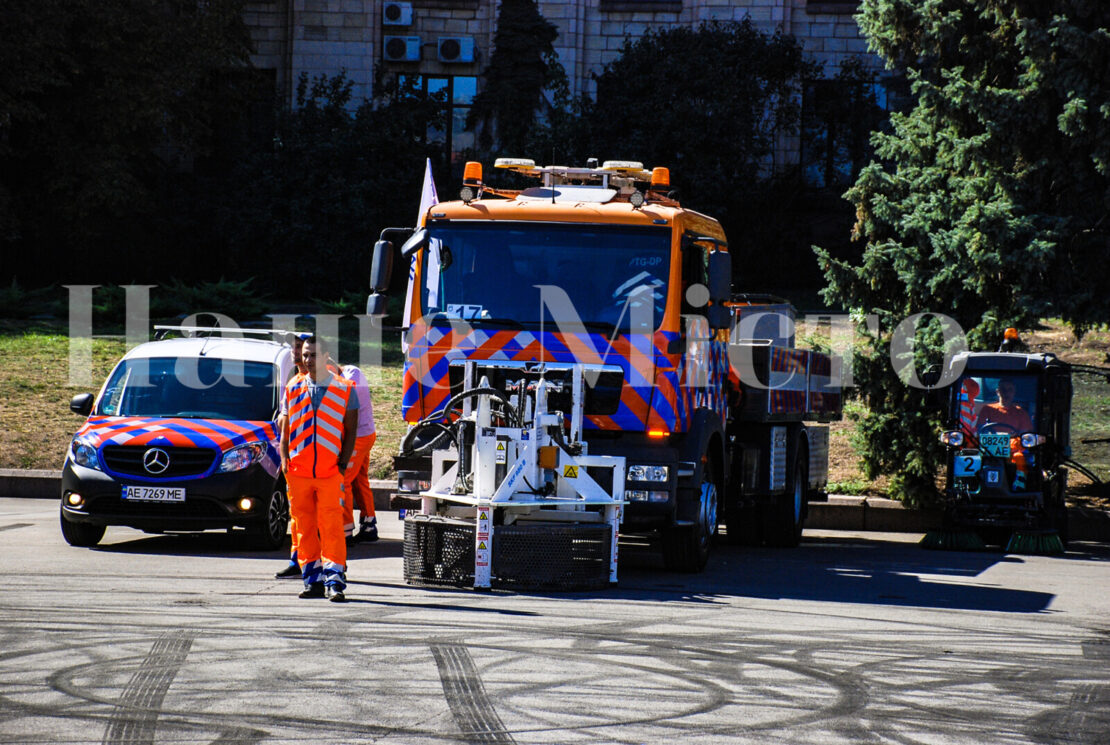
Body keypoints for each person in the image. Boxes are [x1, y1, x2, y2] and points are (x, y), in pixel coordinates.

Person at [281, 335, 358, 602]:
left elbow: (351, 432)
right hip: (298, 471)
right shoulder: (293, 387)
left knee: (331, 526)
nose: (308, 360)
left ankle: (334, 580)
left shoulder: (346, 388)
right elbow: (286, 429)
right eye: (305, 355)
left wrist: (343, 464)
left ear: (326, 357)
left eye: (313, 355)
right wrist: (283, 459)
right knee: (303, 528)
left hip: (328, 472)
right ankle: (311, 579)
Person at [333, 358, 378, 544]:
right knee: (359, 479)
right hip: (364, 434)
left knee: (343, 480)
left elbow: (346, 407)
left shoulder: (351, 376)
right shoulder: (353, 372)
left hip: (358, 437)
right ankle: (369, 524)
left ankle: (346, 530)